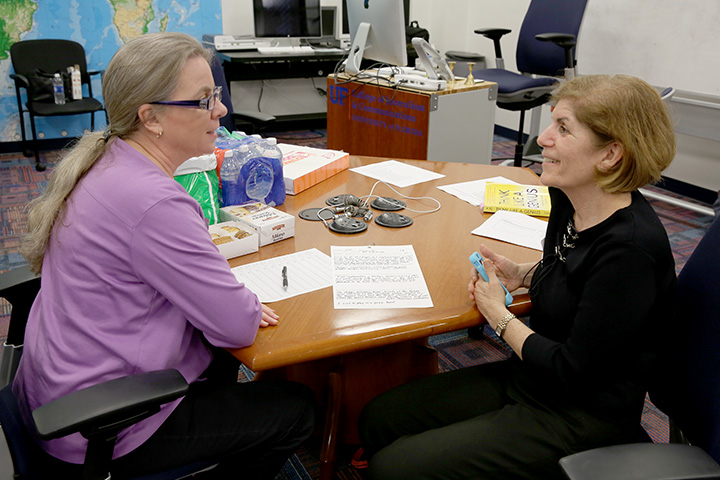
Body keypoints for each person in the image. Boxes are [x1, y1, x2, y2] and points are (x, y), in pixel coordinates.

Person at [14, 32, 315, 479]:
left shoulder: (108, 159)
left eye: (216, 94)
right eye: (204, 100)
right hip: (104, 423)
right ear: (150, 118)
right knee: (297, 410)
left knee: (217, 356)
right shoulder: (155, 203)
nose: (220, 110)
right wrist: (242, 304)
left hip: (57, 389)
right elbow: (236, 324)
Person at [358, 74, 677, 480]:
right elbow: (573, 271)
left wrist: (498, 314)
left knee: (393, 469)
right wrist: (523, 273)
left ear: (610, 154)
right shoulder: (570, 198)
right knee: (378, 418)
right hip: (531, 377)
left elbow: (572, 370)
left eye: (563, 129)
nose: (543, 138)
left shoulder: (630, 250)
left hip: (580, 415)